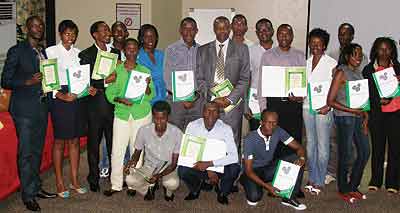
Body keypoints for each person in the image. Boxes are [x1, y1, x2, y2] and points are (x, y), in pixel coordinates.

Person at [1, 15, 56, 211]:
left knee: (37, 151)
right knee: (26, 153)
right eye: (34, 25)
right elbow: (5, 80)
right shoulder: (17, 51)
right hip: (23, 110)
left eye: (41, 25)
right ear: (27, 28)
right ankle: (28, 194)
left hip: (41, 107)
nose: (39, 28)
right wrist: (27, 81)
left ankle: (35, 186)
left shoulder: (43, 52)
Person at [103, 38, 155, 196]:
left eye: (134, 49)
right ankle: (116, 184)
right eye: (128, 49)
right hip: (122, 113)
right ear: (124, 51)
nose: (131, 52)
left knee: (136, 150)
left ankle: (133, 184)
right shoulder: (117, 70)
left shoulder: (145, 71)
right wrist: (120, 99)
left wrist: (146, 87)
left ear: (138, 51)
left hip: (141, 113)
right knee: (117, 150)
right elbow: (109, 93)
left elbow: (150, 94)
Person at [45, 20, 87, 198]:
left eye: (73, 33)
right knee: (60, 141)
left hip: (76, 97)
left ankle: (74, 180)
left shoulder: (79, 53)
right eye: (67, 33)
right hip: (59, 97)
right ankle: (60, 182)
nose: (71, 37)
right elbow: (48, 78)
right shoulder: (50, 51)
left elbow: (82, 78)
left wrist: (86, 89)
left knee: (75, 140)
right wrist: (61, 95)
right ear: (60, 34)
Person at [78, 21, 121, 192]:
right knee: (94, 145)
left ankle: (114, 176)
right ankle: (93, 177)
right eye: (103, 30)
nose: (107, 32)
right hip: (94, 107)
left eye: (107, 29)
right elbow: (84, 80)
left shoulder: (116, 52)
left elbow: (120, 75)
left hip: (113, 105)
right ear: (95, 35)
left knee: (113, 144)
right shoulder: (86, 54)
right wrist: (104, 81)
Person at [196, 16, 250, 147]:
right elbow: (199, 78)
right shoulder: (202, 50)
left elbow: (244, 78)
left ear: (230, 28)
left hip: (231, 105)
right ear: (214, 29)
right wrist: (213, 97)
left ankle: (231, 167)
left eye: (225, 28)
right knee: (210, 140)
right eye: (219, 28)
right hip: (210, 103)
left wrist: (229, 99)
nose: (222, 31)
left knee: (232, 141)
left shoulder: (242, 49)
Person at [325, 23, 368, 184]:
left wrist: (365, 116)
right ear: (348, 56)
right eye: (355, 55)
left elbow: (363, 97)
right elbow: (330, 100)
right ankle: (344, 186)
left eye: (360, 55)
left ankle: (354, 184)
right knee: (345, 152)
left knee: (364, 151)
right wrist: (353, 111)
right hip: (345, 117)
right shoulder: (341, 71)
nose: (358, 58)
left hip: (357, 117)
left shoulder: (358, 73)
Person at [240, 110, 307, 210]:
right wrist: (268, 187)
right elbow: (249, 171)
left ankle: (289, 197)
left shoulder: (278, 130)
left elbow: (299, 148)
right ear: (261, 122)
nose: (272, 126)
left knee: (296, 159)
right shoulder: (250, 139)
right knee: (254, 198)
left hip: (267, 168)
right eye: (269, 122)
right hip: (252, 171)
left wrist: (302, 158)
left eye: (275, 122)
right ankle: (244, 181)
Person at [257, 24, 306, 158]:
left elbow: (304, 84)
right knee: (274, 142)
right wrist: (263, 109)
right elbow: (261, 84)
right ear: (276, 36)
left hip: (293, 106)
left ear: (292, 37)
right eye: (281, 34)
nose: (284, 37)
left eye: (287, 34)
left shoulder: (300, 56)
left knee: (293, 141)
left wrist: (300, 97)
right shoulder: (268, 56)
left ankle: (291, 175)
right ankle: (273, 175)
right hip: (274, 106)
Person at [178, 101, 240, 205]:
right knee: (182, 170)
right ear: (202, 113)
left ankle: (222, 192)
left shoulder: (226, 129)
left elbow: (234, 157)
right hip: (199, 166)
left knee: (235, 168)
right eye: (208, 111)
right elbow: (187, 153)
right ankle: (195, 188)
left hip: (218, 167)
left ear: (219, 114)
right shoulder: (192, 126)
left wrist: (210, 165)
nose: (211, 114)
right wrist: (209, 171)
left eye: (214, 111)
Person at [362, 37, 400, 194]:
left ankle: (393, 182)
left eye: (388, 49)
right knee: (377, 148)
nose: (384, 52)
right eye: (381, 49)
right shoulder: (368, 70)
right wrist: (378, 101)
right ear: (375, 50)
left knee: (395, 149)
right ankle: (376, 180)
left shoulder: (398, 68)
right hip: (377, 115)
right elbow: (365, 94)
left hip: (396, 114)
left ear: (393, 51)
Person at [124, 101, 182, 201]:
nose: (159, 122)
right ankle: (150, 187)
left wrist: (158, 175)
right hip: (149, 166)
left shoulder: (177, 133)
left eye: (162, 118)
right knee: (130, 180)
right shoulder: (143, 130)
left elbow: (173, 164)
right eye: (156, 118)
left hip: (168, 167)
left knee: (172, 184)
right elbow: (137, 153)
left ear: (168, 117)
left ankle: (167, 191)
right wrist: (131, 163)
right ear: (152, 116)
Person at [302, 28, 336, 195]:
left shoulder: (331, 64)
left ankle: (320, 178)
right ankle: (312, 176)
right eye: (312, 42)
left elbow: (337, 89)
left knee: (322, 147)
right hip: (307, 108)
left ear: (324, 46)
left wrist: (329, 106)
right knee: (310, 145)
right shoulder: (305, 63)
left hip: (324, 110)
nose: (315, 46)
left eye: (319, 43)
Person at [99, 21, 130, 179]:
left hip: (128, 98)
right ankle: (105, 165)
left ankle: (125, 165)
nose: (119, 32)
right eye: (115, 30)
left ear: (127, 33)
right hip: (111, 97)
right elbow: (103, 77)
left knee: (126, 134)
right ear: (111, 33)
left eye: (122, 30)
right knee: (109, 134)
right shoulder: (107, 52)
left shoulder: (131, 49)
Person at [163, 17, 203, 130]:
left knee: (195, 136)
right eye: (185, 29)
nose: (189, 32)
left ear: (196, 31)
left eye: (192, 29)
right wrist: (183, 98)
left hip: (197, 102)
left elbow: (204, 77)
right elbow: (167, 77)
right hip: (176, 103)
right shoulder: (171, 49)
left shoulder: (202, 50)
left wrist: (195, 97)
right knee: (176, 136)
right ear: (180, 31)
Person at [245, 18, 274, 131]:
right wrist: (246, 104)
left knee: (273, 132)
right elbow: (247, 78)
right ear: (256, 33)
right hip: (255, 99)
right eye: (260, 30)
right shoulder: (250, 51)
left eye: (266, 29)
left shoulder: (279, 49)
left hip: (274, 98)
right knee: (256, 130)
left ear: (272, 31)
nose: (264, 33)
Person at [137, 24, 166, 105]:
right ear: (142, 39)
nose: (150, 39)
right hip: (146, 100)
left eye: (153, 36)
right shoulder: (137, 56)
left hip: (163, 98)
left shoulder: (162, 55)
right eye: (146, 36)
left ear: (156, 38)